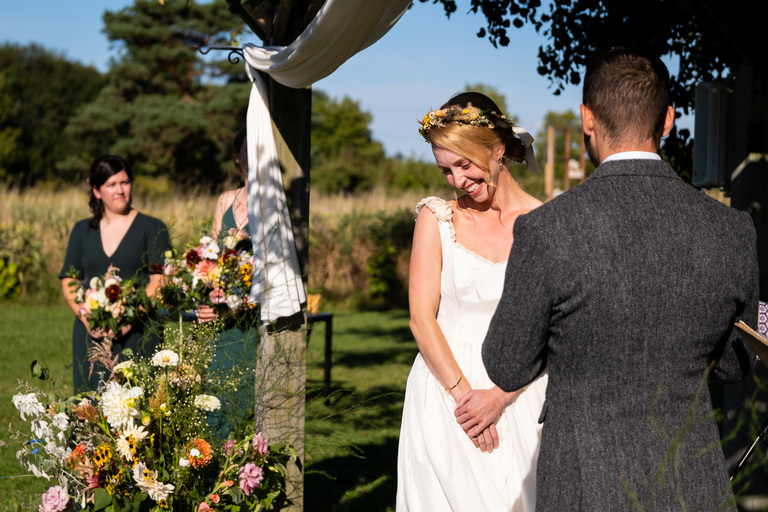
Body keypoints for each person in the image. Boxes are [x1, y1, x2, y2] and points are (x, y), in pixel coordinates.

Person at [482, 48, 759, 511]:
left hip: (583, 484)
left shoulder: (547, 229)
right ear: (668, 120)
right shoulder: (732, 230)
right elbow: (739, 360)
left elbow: (507, 363)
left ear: (587, 118)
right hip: (691, 482)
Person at [396, 92, 548, 511]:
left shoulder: (546, 224)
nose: (458, 181)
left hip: (521, 390)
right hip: (445, 390)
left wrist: (499, 396)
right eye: (446, 170)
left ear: (498, 150)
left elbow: (555, 327)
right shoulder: (437, 218)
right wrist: (466, 402)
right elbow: (420, 319)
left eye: (464, 164)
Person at [60, 155, 170, 392]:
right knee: (91, 408)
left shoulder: (153, 228)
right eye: (111, 184)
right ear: (97, 191)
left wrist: (128, 320)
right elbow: (70, 279)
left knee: (140, 410)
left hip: (140, 333)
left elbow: (159, 281)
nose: (120, 190)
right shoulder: (81, 231)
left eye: (125, 182)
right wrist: (86, 317)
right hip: (92, 335)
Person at [197, 127, 258, 436]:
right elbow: (211, 259)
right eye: (248, 147)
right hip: (221, 320)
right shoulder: (224, 201)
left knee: (248, 396)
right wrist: (207, 297)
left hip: (253, 317)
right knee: (219, 394)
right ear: (237, 157)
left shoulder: (275, 203)